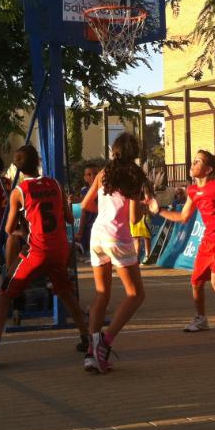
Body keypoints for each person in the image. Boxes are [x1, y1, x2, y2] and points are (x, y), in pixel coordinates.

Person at [0, 145, 90, 368]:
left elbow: (9, 228)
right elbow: (68, 218)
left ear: (17, 166)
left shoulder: (19, 192)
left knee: (3, 295)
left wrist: (23, 228)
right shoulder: (55, 184)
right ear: (38, 162)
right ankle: (86, 338)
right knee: (66, 293)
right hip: (60, 249)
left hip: (38, 250)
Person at [150, 149, 215, 341]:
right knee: (196, 280)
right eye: (194, 160)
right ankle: (201, 319)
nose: (193, 164)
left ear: (208, 169)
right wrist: (159, 210)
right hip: (208, 240)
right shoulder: (193, 191)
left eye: (198, 161)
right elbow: (183, 216)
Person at [81, 133, 148, 374]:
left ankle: (91, 352)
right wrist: (144, 210)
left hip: (97, 234)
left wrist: (107, 210)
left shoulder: (103, 173)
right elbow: (133, 218)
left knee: (102, 294)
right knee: (136, 294)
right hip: (117, 237)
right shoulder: (134, 176)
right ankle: (105, 343)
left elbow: (86, 205)